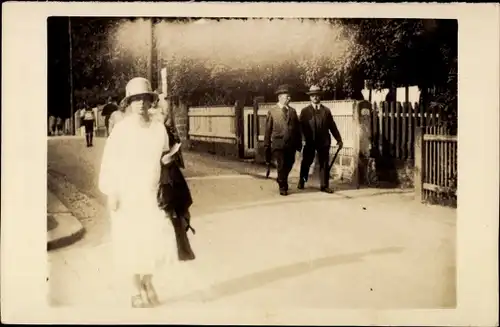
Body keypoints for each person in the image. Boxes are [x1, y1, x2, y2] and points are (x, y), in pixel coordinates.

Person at [98, 77, 178, 308]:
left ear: (150, 101)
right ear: (129, 103)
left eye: (144, 98)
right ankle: (137, 289)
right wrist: (111, 191)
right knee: (130, 242)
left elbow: (162, 155)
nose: (140, 104)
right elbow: (110, 162)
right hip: (127, 195)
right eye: (135, 100)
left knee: (154, 240)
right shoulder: (122, 130)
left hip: (152, 193)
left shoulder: (158, 128)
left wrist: (167, 159)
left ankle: (148, 282)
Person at [298, 85, 343, 193]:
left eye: (317, 95)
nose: (315, 98)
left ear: (320, 97)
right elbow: (300, 127)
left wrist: (339, 139)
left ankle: (324, 185)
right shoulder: (305, 111)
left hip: (323, 142)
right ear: (310, 97)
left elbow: (332, 126)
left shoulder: (326, 111)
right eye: (313, 96)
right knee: (307, 162)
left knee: (324, 163)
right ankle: (302, 180)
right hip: (310, 141)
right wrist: (303, 139)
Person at [263, 84, 302, 196]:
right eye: (287, 96)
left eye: (289, 97)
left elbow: (297, 129)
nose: (289, 98)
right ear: (280, 97)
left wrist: (299, 144)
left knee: (290, 163)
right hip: (278, 143)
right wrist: (267, 145)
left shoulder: (293, 111)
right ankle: (283, 187)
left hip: (291, 144)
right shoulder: (272, 111)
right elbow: (267, 130)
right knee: (281, 164)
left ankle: (281, 178)